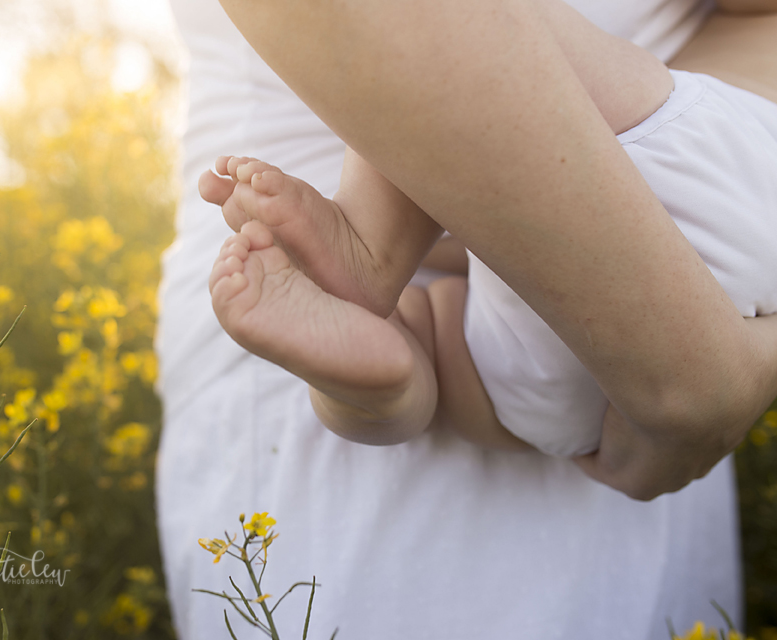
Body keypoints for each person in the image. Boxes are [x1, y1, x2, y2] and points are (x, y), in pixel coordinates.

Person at [155, 0, 774, 637]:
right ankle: (394, 368)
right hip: (670, 354)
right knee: (483, 368)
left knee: (484, 28)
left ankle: (374, 264)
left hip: (667, 238)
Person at [201, 0, 777, 458]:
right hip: (733, 253)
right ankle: (382, 377)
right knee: (457, 347)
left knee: (462, 32)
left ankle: (374, 268)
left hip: (552, 396)